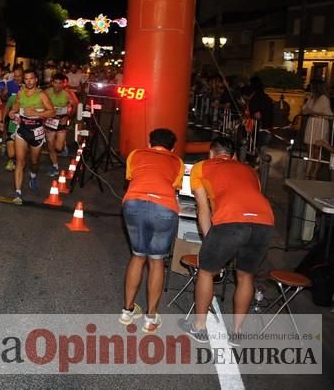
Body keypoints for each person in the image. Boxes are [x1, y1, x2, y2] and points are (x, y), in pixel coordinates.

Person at [180, 136, 275, 344]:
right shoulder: (250, 171)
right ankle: (237, 333)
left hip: (231, 222)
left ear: (211, 153)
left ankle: (199, 327)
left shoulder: (201, 167)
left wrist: (209, 240)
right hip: (264, 221)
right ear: (233, 156)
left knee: (206, 271)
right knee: (246, 276)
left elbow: (203, 210)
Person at [118, 128, 184, 333]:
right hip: (163, 207)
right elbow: (175, 187)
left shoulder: (136, 154)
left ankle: (127, 311)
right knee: (156, 261)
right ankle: (150, 318)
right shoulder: (177, 161)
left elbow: (131, 178)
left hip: (134, 203)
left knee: (137, 256)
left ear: (149, 143)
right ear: (173, 147)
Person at [8, 69, 55, 205]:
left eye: (31, 79)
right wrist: (13, 111)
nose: (28, 81)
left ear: (36, 80)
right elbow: (17, 105)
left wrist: (36, 112)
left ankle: (33, 175)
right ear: (24, 80)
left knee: (34, 162)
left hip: (37, 132)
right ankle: (18, 192)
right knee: (20, 161)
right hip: (22, 130)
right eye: (26, 79)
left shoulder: (42, 95)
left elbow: (52, 112)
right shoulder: (21, 93)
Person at [44, 73, 78, 177]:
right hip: (50, 121)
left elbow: (75, 105)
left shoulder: (67, 93)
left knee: (58, 148)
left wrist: (69, 116)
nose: (58, 85)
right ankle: (55, 166)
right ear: (52, 83)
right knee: (50, 144)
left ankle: (63, 145)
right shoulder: (47, 92)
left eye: (60, 83)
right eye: (55, 83)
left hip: (62, 122)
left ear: (63, 84)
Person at [301, 80, 333, 180]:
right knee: (310, 150)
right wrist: (306, 110)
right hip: (312, 124)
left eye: (311, 87)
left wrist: (313, 112)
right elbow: (304, 109)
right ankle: (307, 173)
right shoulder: (311, 98)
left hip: (320, 124)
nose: (310, 88)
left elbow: (329, 114)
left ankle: (314, 174)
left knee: (317, 151)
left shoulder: (324, 99)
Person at [4, 66, 24, 171]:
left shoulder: (29, 86)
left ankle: (18, 160)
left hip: (25, 124)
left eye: (19, 76)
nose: (17, 78)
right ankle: (11, 158)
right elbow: (6, 102)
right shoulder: (10, 85)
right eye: (15, 76)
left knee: (21, 149)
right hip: (12, 121)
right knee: (11, 151)